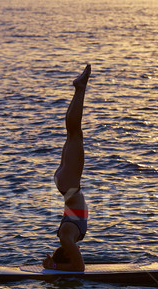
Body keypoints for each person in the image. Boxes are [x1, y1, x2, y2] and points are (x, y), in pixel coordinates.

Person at [42, 64, 91, 272]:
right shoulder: (66, 236)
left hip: (70, 186)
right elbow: (77, 265)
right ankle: (79, 89)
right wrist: (54, 263)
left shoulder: (66, 237)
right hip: (68, 185)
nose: (75, 250)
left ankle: (80, 88)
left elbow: (79, 268)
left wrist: (53, 265)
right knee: (73, 132)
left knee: (75, 132)